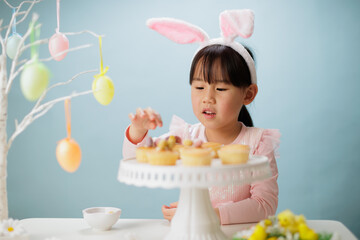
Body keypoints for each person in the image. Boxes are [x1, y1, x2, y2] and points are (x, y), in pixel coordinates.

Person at [122, 10, 280, 225]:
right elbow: (139, 156)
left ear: (248, 94)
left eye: (221, 88)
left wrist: (206, 215)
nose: (207, 98)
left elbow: (265, 205)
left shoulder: (258, 144)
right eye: (199, 86)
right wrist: (138, 131)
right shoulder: (184, 138)